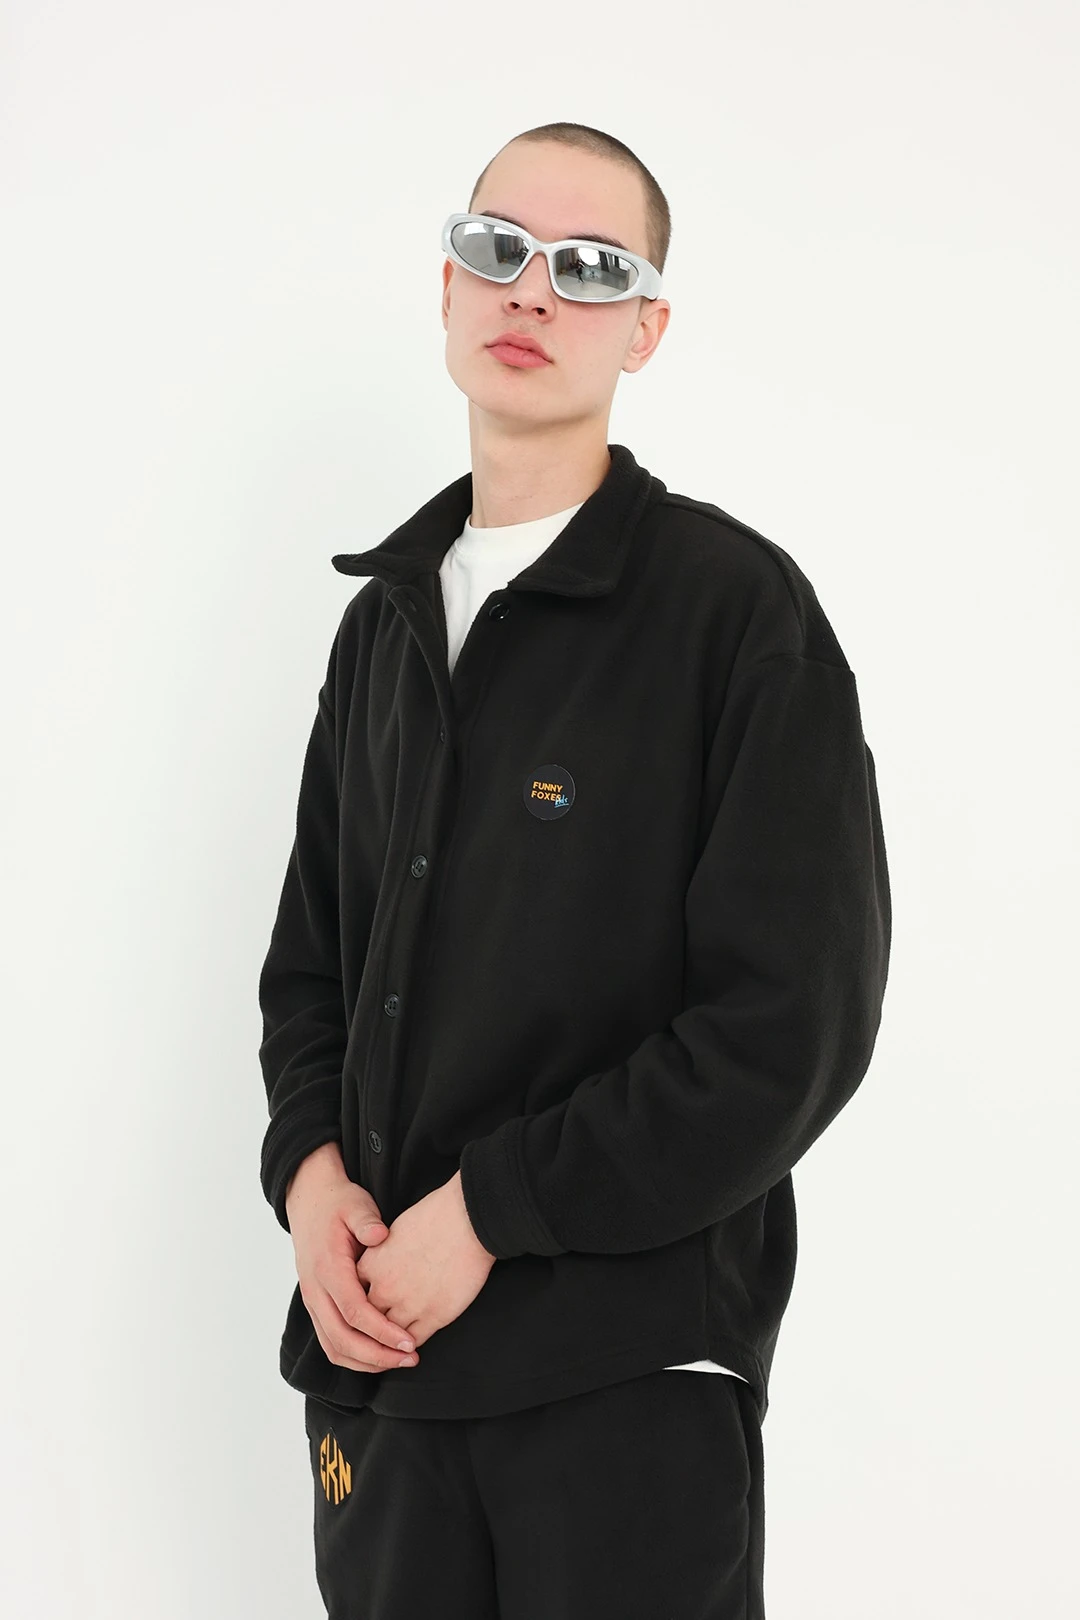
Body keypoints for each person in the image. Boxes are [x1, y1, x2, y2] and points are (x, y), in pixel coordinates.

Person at [257, 120, 891, 1620]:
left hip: (626, 1384)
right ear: (448, 288)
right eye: (499, 251)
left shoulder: (735, 616)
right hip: (386, 1379)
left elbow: (789, 1032)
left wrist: (493, 1210)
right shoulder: (384, 627)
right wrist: (310, 1177)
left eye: (592, 267)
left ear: (645, 329)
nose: (534, 291)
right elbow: (312, 967)